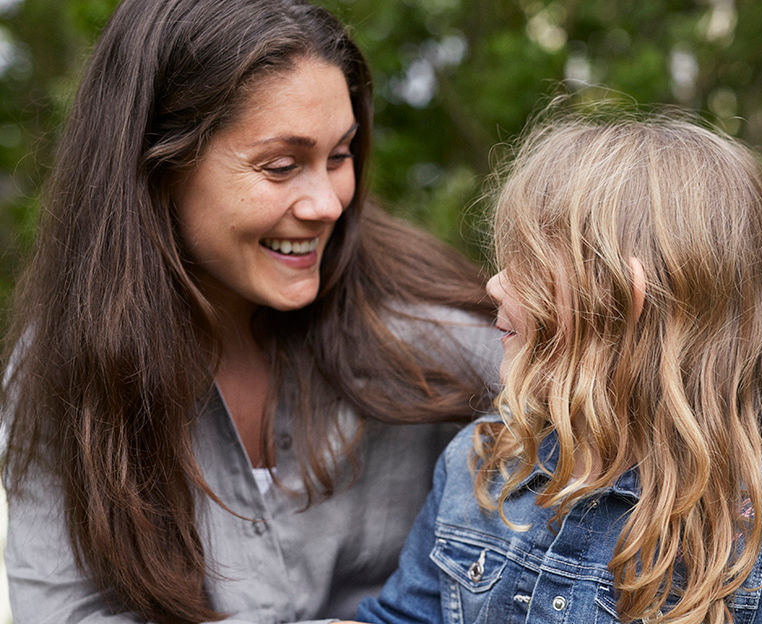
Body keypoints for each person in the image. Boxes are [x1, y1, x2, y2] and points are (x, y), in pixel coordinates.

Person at [0, 0, 500, 622]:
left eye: (340, 156)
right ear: (158, 166)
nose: (326, 203)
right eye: (281, 166)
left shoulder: (436, 329)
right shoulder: (64, 367)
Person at [354, 113, 762, 624]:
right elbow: (404, 615)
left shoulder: (757, 538)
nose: (495, 284)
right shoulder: (480, 462)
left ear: (623, 299)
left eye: (529, 268)